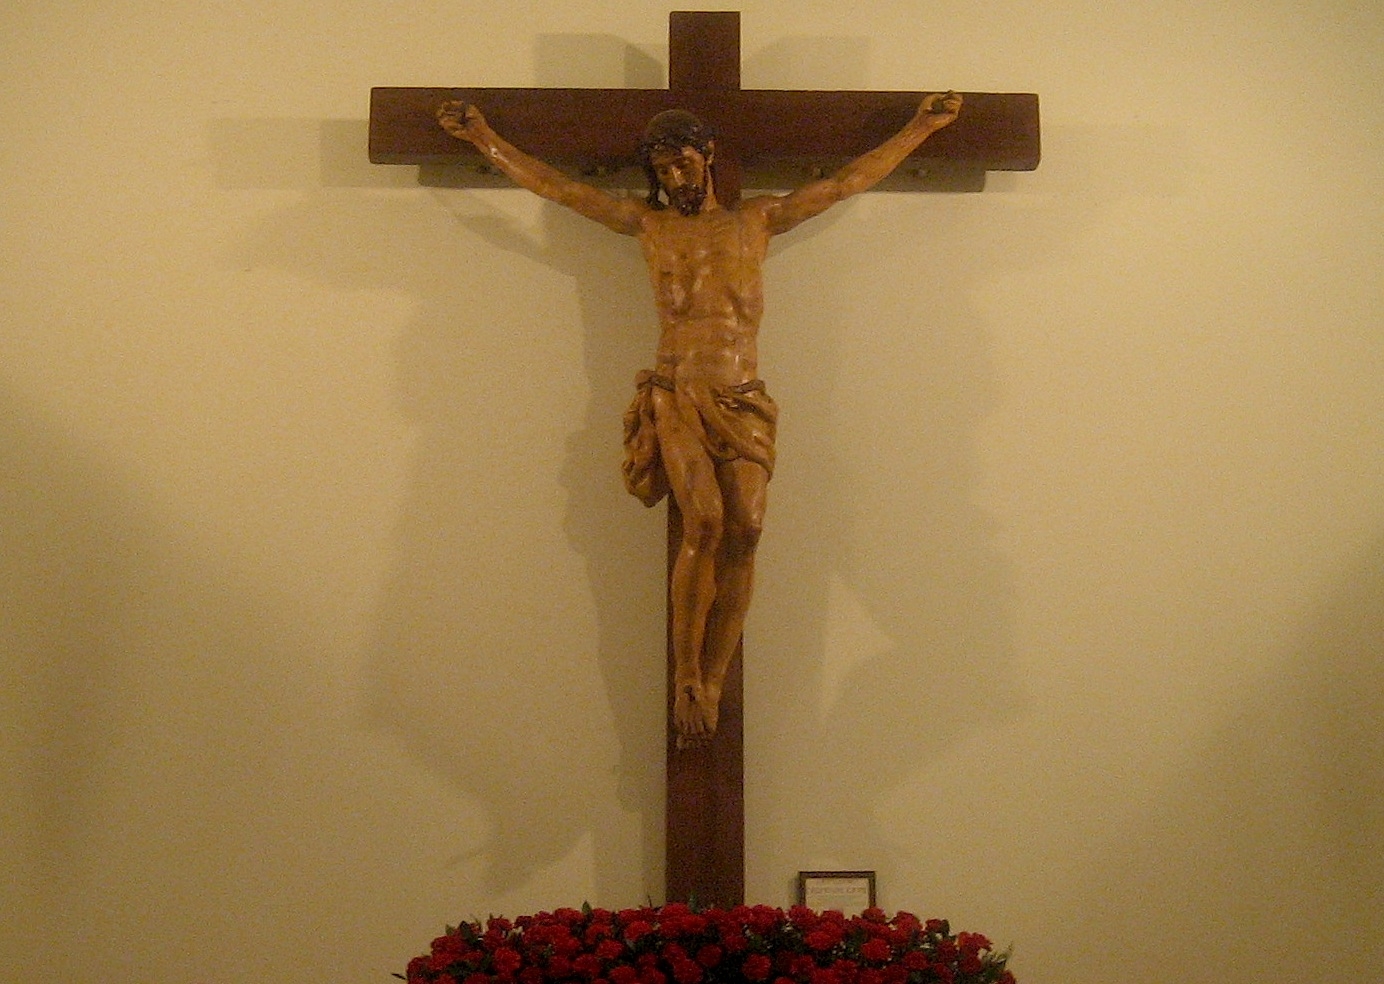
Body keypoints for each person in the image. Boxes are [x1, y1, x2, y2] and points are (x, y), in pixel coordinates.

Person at [437, 92, 962, 744]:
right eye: (663, 170)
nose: (675, 178)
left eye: (683, 163)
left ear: (708, 155)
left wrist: (920, 127)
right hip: (677, 393)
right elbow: (559, 189)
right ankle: (686, 671)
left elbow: (844, 183)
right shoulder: (649, 226)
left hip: (742, 397)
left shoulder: (757, 221)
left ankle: (712, 678)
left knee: (749, 528)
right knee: (706, 521)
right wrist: (481, 136)